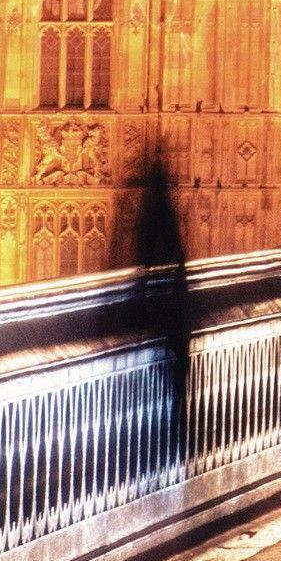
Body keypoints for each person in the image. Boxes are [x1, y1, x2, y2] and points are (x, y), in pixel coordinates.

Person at [117, 140, 203, 473]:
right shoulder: (167, 227)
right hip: (172, 324)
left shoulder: (147, 226)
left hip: (156, 322)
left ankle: (152, 456)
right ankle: (172, 451)